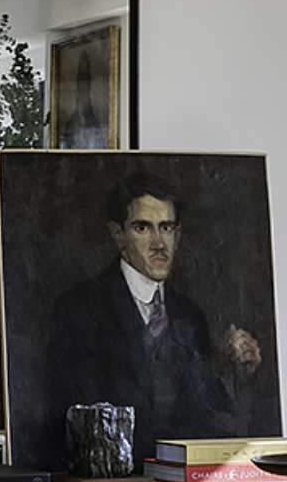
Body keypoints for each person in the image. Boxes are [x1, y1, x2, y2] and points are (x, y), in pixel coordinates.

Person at [40, 167, 267, 463]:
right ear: (118, 235)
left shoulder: (189, 315)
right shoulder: (78, 309)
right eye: (143, 228)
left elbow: (206, 417)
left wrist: (236, 372)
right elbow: (73, 418)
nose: (159, 243)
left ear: (178, 234)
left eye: (167, 227)